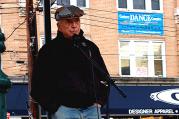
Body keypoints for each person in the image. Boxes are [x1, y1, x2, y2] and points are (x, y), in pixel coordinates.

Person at [30, 5, 110, 119]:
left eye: (77, 20)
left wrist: (99, 102)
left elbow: (104, 77)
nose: (74, 25)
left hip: (91, 109)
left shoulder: (90, 47)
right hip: (64, 110)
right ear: (59, 26)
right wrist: (55, 107)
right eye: (69, 21)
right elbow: (38, 85)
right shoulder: (49, 50)